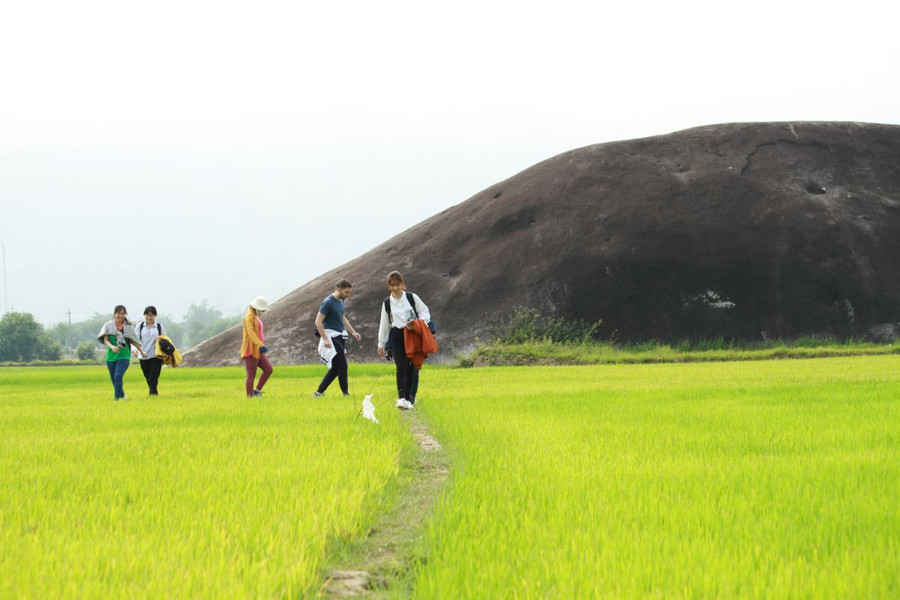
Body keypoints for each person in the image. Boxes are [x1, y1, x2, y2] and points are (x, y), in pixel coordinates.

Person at [377, 271, 432, 410]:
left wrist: (419, 323)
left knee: (413, 367)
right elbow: (384, 324)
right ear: (389, 286)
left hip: (413, 333)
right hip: (397, 334)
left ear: (402, 284)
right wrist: (381, 343)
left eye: (398, 285)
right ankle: (401, 398)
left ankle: (410, 399)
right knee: (401, 367)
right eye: (392, 285)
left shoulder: (411, 297)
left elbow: (425, 312)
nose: (395, 288)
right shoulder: (387, 303)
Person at [312, 279, 361, 397]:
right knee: (343, 365)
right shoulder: (328, 302)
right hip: (331, 336)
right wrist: (325, 339)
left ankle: (318, 392)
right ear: (338, 289)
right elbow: (318, 321)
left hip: (339, 336)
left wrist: (353, 332)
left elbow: (343, 318)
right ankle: (345, 394)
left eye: (349, 293)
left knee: (335, 368)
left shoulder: (341, 301)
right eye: (346, 292)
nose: (348, 295)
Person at [97, 305, 146, 401]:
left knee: (118, 375)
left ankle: (116, 399)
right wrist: (112, 347)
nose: (120, 317)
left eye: (123, 314)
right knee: (114, 379)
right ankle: (122, 396)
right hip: (111, 356)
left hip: (124, 356)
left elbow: (133, 341)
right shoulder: (108, 325)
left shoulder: (128, 327)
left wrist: (141, 351)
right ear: (114, 314)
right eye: (118, 314)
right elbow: (106, 340)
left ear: (125, 315)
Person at [241, 296, 273, 398]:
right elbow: (251, 333)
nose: (263, 312)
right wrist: (260, 345)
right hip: (250, 350)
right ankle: (250, 397)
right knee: (251, 375)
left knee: (268, 369)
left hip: (258, 350)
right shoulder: (249, 317)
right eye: (262, 310)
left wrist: (260, 346)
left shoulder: (255, 316)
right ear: (257, 308)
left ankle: (257, 391)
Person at [135, 306, 170, 396]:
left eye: (151, 315)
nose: (149, 317)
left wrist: (160, 339)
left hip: (156, 355)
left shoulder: (159, 327)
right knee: (147, 376)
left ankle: (153, 394)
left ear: (155, 316)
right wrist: (135, 350)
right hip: (143, 355)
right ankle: (154, 391)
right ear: (144, 315)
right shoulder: (139, 326)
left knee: (153, 377)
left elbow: (165, 339)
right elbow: (135, 339)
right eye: (147, 315)